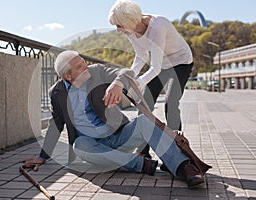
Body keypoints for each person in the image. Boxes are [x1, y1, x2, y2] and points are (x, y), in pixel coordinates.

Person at [22, 50, 206, 188]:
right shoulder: (56, 93)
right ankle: (142, 164)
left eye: (83, 62)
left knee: (144, 122)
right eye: (79, 66)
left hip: (119, 135)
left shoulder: (97, 72)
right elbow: (56, 124)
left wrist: (118, 83)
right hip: (92, 146)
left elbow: (127, 72)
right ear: (67, 76)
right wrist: (42, 156)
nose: (85, 66)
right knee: (80, 145)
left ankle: (184, 168)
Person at [108, 0, 194, 159]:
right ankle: (142, 150)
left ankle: (178, 152)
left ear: (130, 21)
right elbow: (141, 57)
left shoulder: (157, 27)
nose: (118, 30)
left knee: (171, 102)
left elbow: (155, 67)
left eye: (119, 26)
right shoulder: (131, 30)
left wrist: (139, 82)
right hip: (161, 63)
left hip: (180, 62)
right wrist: (128, 79)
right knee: (145, 103)